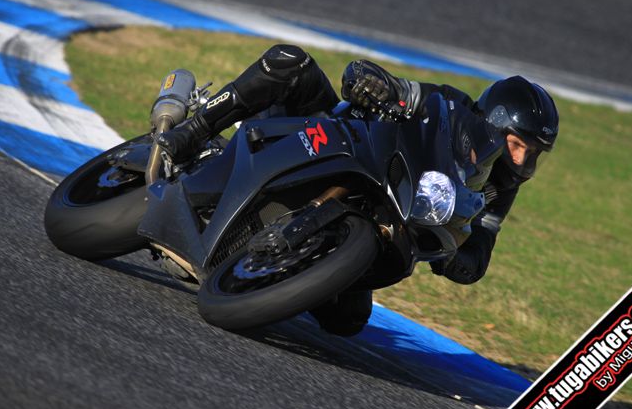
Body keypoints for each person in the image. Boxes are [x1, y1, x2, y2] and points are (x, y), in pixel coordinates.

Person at [157, 44, 559, 336]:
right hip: (342, 146)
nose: (523, 161)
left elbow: (482, 245)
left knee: (347, 320)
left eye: (533, 153)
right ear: (494, 123)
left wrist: (460, 259)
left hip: (386, 222)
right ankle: (195, 132)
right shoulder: (450, 107)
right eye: (518, 145)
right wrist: (375, 84)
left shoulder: (500, 189)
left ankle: (271, 270)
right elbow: (402, 91)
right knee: (290, 63)